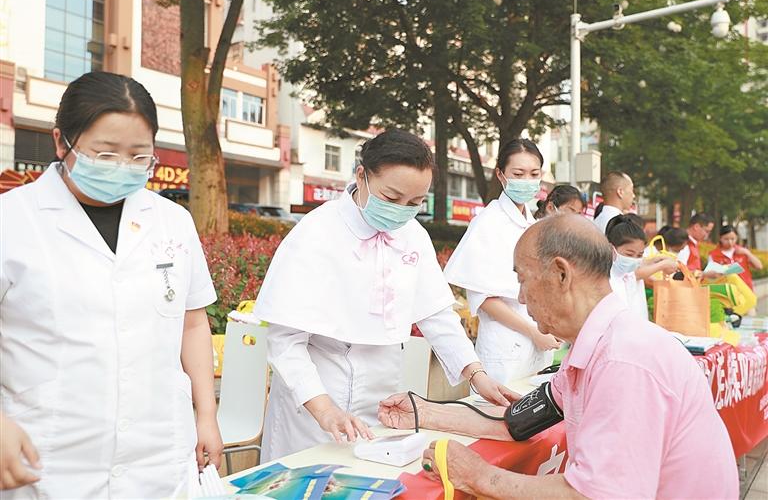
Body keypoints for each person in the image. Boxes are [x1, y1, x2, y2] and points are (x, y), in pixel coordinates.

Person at [379, 214, 738, 499]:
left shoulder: (623, 362)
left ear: (561, 274)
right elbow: (520, 421)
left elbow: (596, 495)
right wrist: (424, 413)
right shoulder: (595, 346)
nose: (520, 298)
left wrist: (479, 476)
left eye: (523, 279)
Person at [0, 72, 222, 497]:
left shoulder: (172, 220)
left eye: (140, 156)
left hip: (159, 455)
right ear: (62, 142)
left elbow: (192, 322)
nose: (123, 167)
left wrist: (206, 414)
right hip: (51, 456)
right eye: (105, 154)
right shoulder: (11, 219)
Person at [253, 129, 514, 461]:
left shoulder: (413, 236)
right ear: (361, 176)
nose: (402, 211)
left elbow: (437, 317)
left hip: (381, 395)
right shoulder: (316, 233)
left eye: (415, 203)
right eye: (391, 199)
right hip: (314, 399)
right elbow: (286, 340)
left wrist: (476, 374)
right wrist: (324, 408)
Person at [444, 139, 559, 385]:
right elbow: (485, 299)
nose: (527, 180)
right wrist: (533, 332)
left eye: (534, 174)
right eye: (518, 174)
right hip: (504, 347)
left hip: (537, 345)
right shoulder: (488, 222)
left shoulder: (532, 224)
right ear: (501, 174)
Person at [605, 215, 677, 320]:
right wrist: (662, 265)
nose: (634, 260)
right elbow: (636, 274)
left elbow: (640, 265)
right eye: (629, 254)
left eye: (639, 255)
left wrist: (657, 260)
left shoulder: (626, 270)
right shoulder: (609, 274)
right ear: (612, 249)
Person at [709, 225, 763, 290]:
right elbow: (710, 275)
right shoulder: (713, 255)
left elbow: (759, 266)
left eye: (732, 239)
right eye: (726, 239)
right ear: (720, 238)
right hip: (727, 292)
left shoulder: (742, 252)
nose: (730, 242)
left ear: (736, 238)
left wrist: (747, 253)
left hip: (745, 291)